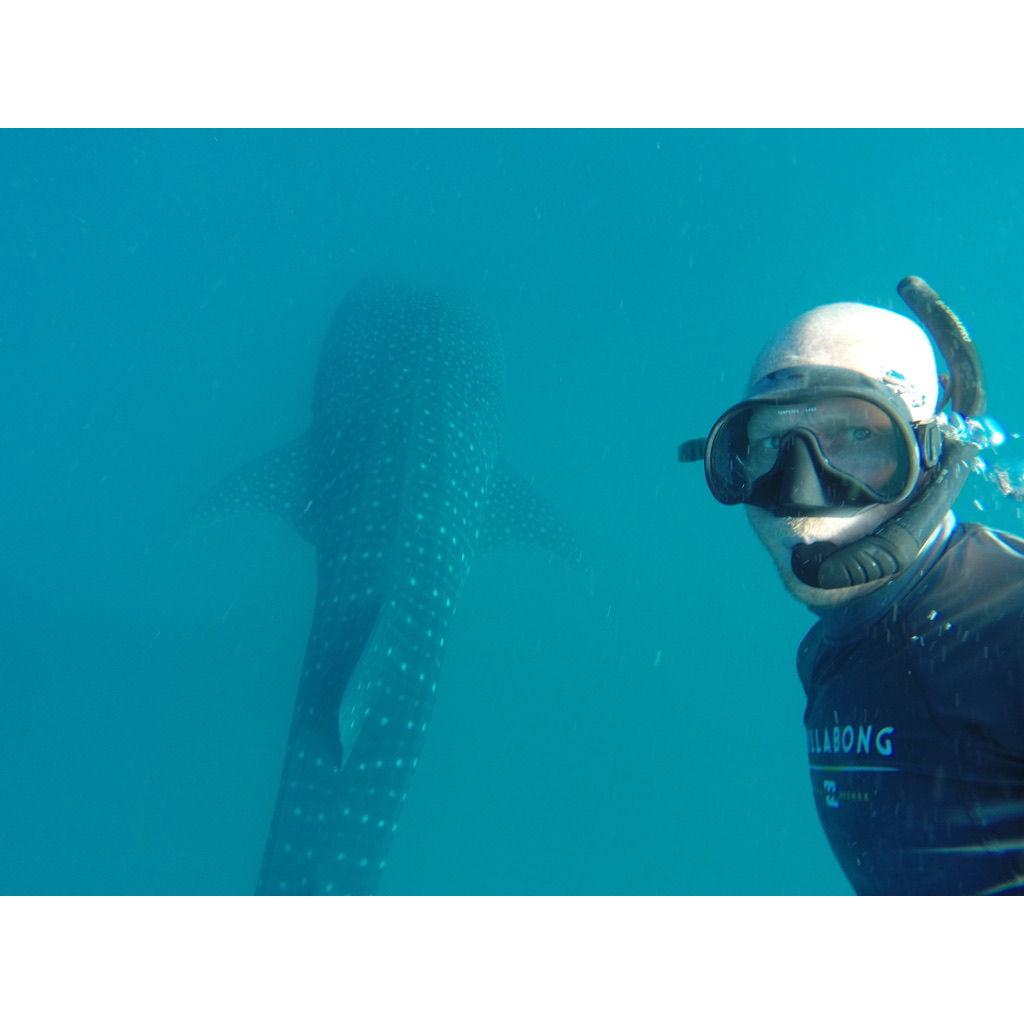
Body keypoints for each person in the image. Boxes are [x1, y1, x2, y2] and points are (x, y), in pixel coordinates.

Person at [681, 277, 1024, 895]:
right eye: (768, 443)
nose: (799, 492)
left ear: (937, 460)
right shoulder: (829, 652)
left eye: (859, 436)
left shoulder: (1005, 623)